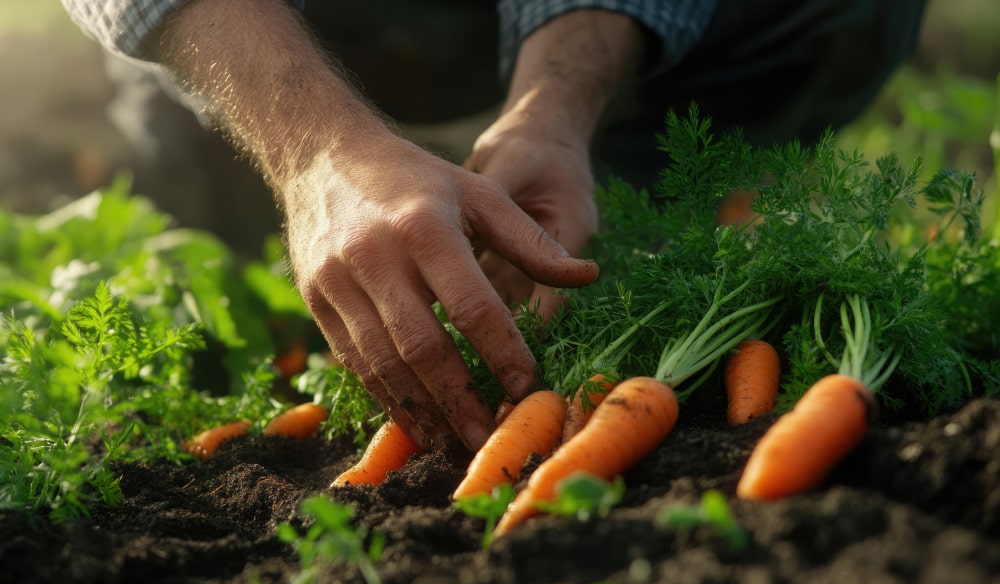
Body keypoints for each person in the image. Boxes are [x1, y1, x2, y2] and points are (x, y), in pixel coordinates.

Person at [61, 0, 927, 453]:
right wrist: (314, 151)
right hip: (285, 24)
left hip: (552, 22)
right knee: (202, 192)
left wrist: (556, 110)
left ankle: (600, 230)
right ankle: (309, 241)